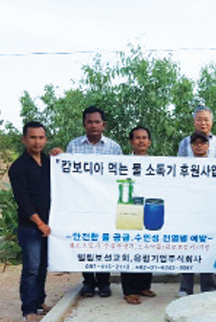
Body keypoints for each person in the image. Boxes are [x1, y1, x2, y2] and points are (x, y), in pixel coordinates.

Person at [67, 106, 123, 298]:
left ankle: (104, 282)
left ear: (103, 125)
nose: (93, 125)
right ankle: (88, 282)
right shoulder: (73, 146)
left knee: (103, 242)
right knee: (86, 242)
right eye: (89, 122)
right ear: (84, 124)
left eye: (97, 122)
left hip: (105, 203)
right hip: (82, 203)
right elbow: (67, 173)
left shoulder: (114, 148)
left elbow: (119, 174)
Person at [9, 121, 51, 322]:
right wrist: (39, 223)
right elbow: (23, 200)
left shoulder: (49, 162)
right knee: (31, 269)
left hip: (48, 225)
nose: (37, 142)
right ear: (24, 139)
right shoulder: (18, 167)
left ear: (46, 139)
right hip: (30, 226)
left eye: (41, 137)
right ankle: (29, 310)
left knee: (43, 266)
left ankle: (39, 302)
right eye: (33, 137)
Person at [177, 131, 216, 297]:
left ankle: (208, 288)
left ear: (208, 146)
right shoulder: (182, 166)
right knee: (187, 249)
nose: (199, 146)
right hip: (188, 214)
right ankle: (185, 287)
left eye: (202, 143)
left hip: (209, 215)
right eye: (195, 143)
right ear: (191, 146)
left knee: (207, 250)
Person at [121, 126, 157, 304]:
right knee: (129, 247)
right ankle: (130, 290)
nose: (141, 141)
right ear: (131, 142)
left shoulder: (157, 164)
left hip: (150, 208)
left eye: (144, 138)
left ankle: (144, 285)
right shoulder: (123, 163)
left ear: (149, 142)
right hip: (130, 207)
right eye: (137, 138)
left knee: (147, 245)